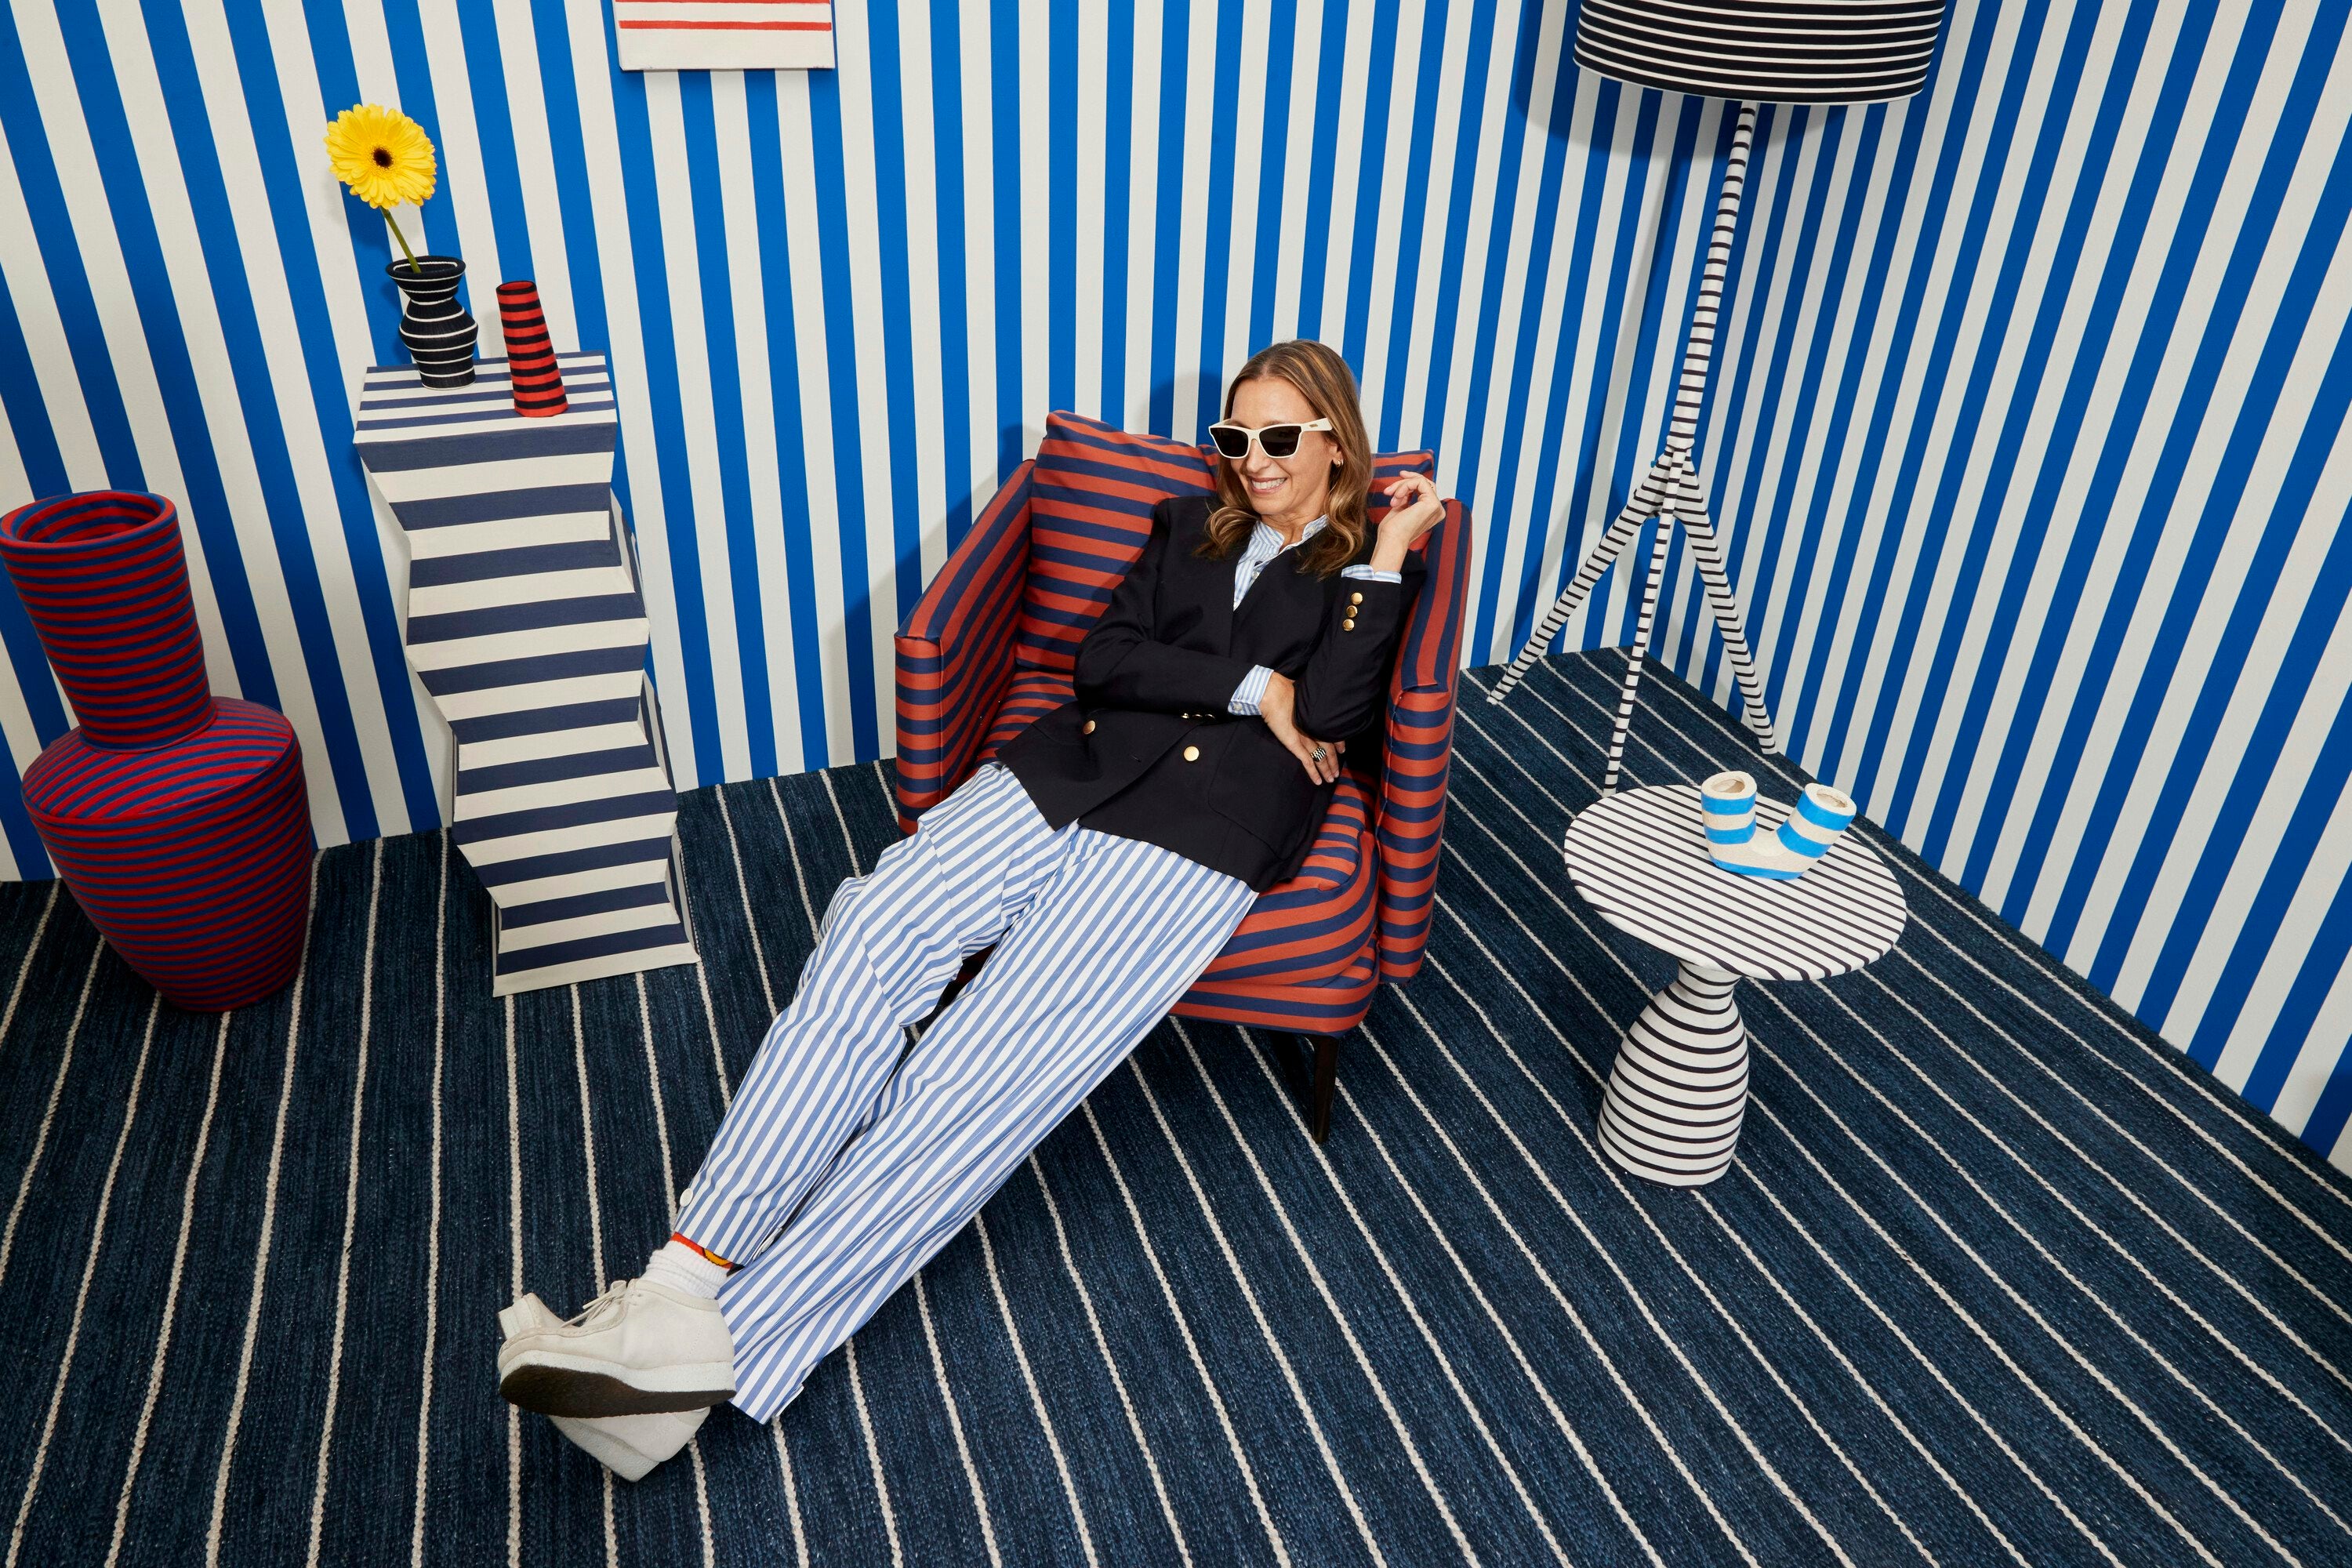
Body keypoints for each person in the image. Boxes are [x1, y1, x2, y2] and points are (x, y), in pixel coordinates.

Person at [496, 339, 1443, 1478]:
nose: (1251, 461)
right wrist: (1253, 686)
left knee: (981, 1071)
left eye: (1280, 438)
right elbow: (1104, 659)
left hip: (1205, 832)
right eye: (1233, 439)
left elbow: (1337, 712)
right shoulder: (1186, 527)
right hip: (1068, 772)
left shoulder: (1365, 569)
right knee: (871, 928)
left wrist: (1383, 553)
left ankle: (714, 1356)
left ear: (1336, 440)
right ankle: (680, 1280)